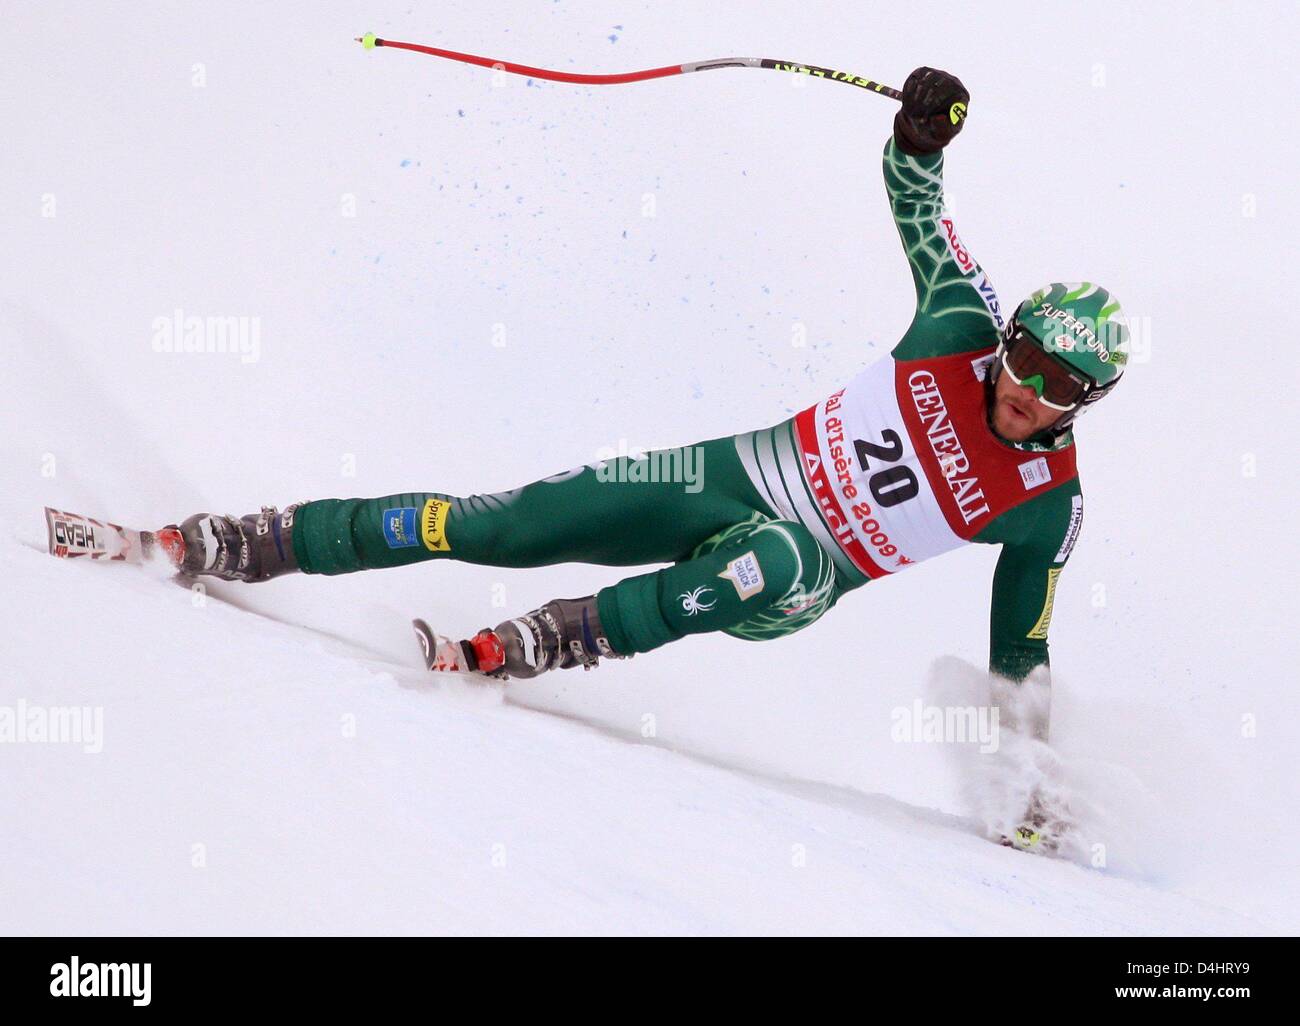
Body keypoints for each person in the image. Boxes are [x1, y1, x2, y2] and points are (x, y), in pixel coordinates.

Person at [162, 68, 1128, 729]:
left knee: (777, 554)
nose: (1030, 394)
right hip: (725, 476)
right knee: (506, 523)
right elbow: (918, 199)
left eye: (1061, 390)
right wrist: (919, 133)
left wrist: (1033, 782)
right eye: (1028, 362)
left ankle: (549, 639)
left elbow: (1021, 647)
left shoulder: (1050, 505)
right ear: (1008, 340)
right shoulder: (960, 319)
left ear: (1082, 407)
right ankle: (261, 539)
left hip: (799, 580)